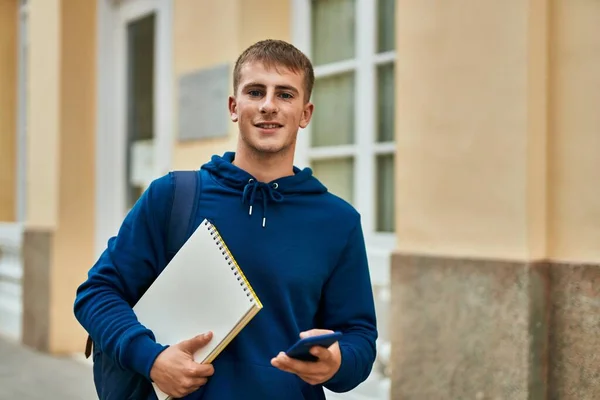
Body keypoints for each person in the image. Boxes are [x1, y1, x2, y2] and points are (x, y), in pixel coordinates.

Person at [74, 39, 378, 400]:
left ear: (305, 113)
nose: (268, 105)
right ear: (234, 106)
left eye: (284, 94)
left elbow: (360, 335)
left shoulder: (337, 222)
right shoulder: (172, 197)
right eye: (255, 92)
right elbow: (96, 294)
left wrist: (338, 361)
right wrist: (152, 359)